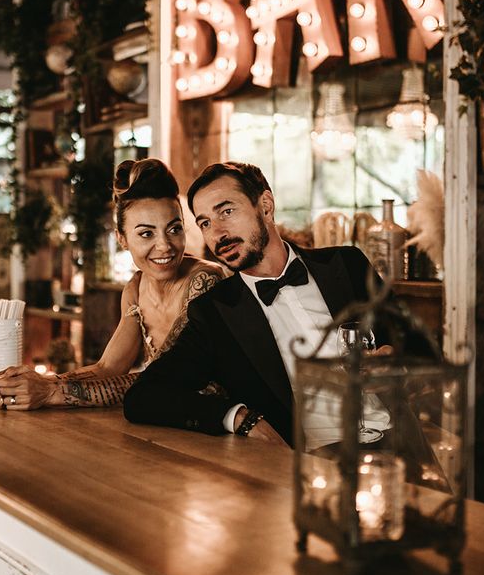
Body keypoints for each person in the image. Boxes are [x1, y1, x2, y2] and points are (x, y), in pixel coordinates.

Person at [123, 162, 435, 464]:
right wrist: (239, 417)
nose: (217, 233)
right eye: (204, 223)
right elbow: (144, 397)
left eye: (227, 212)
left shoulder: (347, 266)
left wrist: (394, 360)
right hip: (308, 467)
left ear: (266, 206)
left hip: (399, 448)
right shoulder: (215, 313)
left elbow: (421, 347)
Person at [0, 158, 223, 410]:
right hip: (168, 422)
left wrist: (51, 391)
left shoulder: (205, 281)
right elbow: (108, 367)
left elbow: (164, 378)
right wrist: (34, 382)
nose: (164, 245)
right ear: (122, 239)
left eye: (174, 229)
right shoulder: (136, 288)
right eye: (146, 233)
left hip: (223, 431)